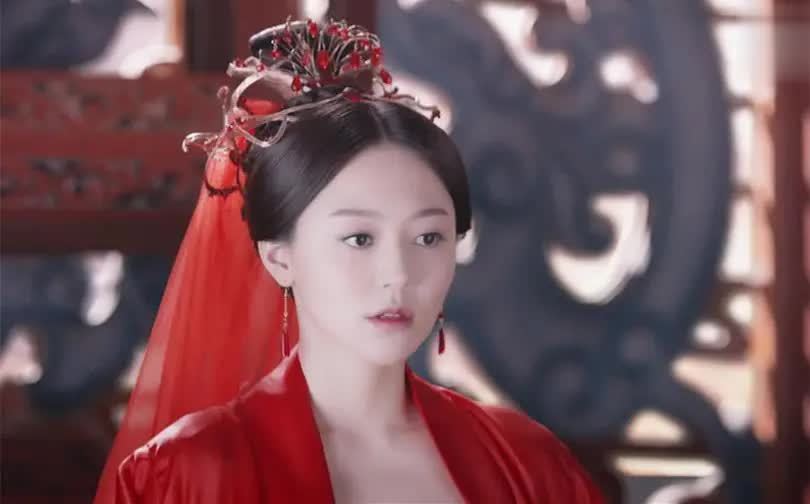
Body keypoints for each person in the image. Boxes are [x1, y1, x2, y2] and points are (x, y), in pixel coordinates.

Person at [94, 17, 605, 503]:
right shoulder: (186, 473)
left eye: (428, 237)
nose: (399, 274)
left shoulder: (525, 462)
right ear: (280, 258)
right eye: (359, 238)